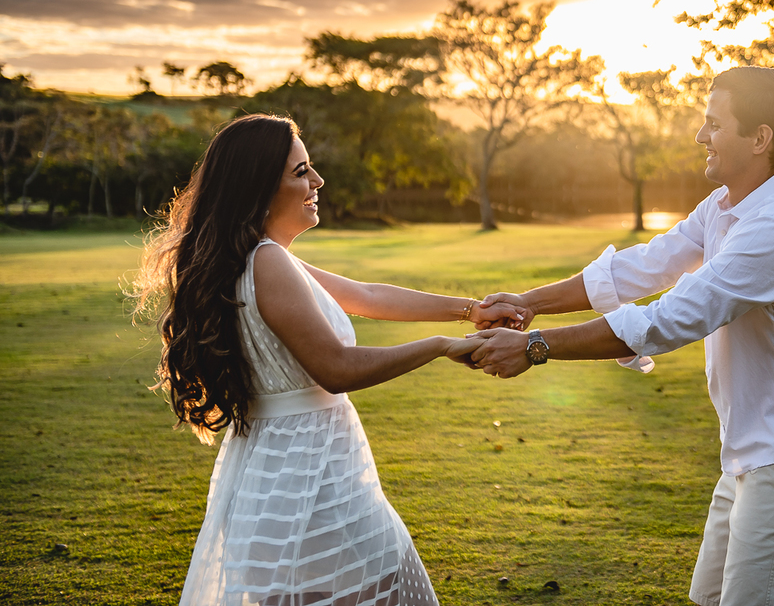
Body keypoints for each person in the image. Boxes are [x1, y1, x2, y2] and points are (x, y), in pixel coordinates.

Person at [467, 66, 774, 606]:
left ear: (760, 138)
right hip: (753, 455)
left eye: (714, 123)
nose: (700, 136)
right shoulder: (725, 208)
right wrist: (529, 303)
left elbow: (665, 320)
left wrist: (537, 349)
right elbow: (643, 267)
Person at [132, 114, 522, 606]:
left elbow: (364, 295)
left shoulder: (256, 256)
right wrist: (441, 346)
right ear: (257, 186)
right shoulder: (266, 261)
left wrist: (471, 311)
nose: (317, 181)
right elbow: (336, 369)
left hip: (279, 475)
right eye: (300, 172)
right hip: (310, 482)